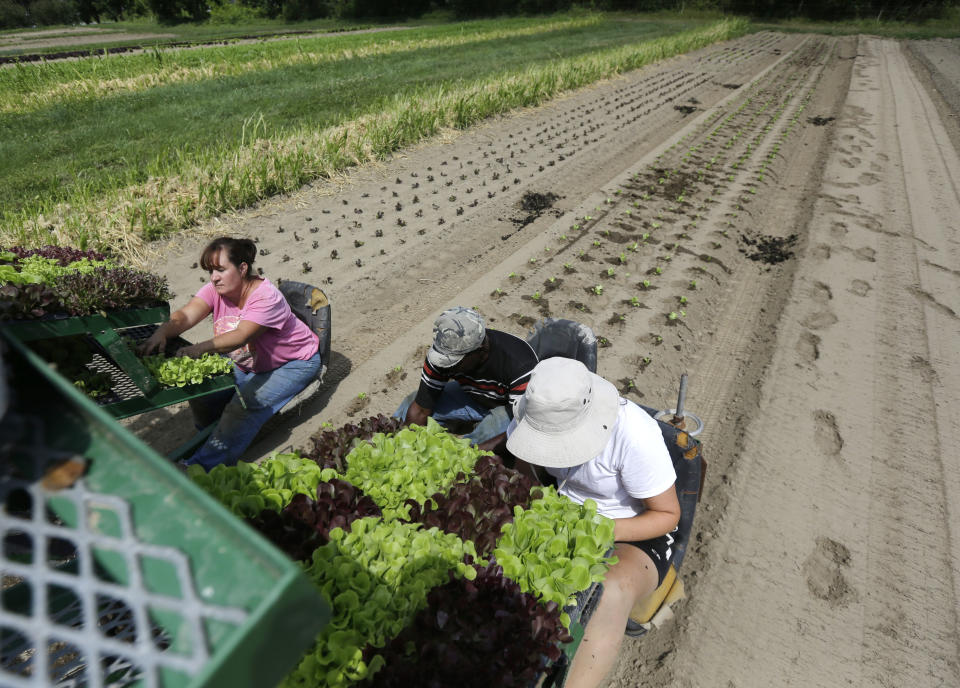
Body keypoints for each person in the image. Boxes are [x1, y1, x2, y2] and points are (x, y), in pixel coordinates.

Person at [504, 357, 680, 688]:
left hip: (631, 528)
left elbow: (667, 516)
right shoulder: (534, 412)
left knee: (609, 589)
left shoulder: (633, 433)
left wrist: (599, 528)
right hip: (561, 511)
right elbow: (523, 470)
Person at [140, 237, 321, 470]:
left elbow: (241, 336)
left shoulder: (266, 297)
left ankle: (201, 468)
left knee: (244, 405)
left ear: (243, 268)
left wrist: (197, 349)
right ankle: (211, 438)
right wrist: (162, 332)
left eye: (221, 270)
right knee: (205, 389)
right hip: (250, 362)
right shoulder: (217, 289)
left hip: (292, 363)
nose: (214, 277)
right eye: (211, 271)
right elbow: (186, 315)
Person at [394, 306, 538, 452]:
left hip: (510, 408)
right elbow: (420, 409)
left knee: (485, 434)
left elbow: (526, 426)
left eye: (454, 361)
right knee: (409, 405)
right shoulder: (442, 353)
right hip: (472, 397)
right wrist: (405, 443)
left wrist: (470, 453)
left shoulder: (520, 363)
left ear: (481, 350)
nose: (446, 367)